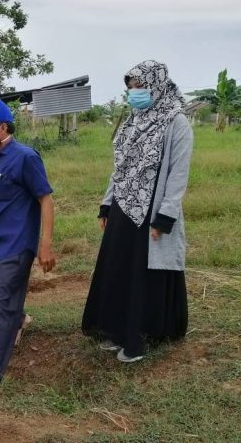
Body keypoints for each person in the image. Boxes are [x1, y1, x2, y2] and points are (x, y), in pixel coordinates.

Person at [82, 60, 193, 363]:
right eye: (131, 87)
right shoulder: (133, 121)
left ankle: (140, 335)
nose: (135, 92)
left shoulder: (176, 122)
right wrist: (107, 204)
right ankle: (114, 329)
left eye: (140, 86)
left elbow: (178, 174)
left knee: (143, 273)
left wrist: (165, 217)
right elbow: (120, 169)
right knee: (118, 268)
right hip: (124, 206)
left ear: (157, 84)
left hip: (152, 210)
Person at [0, 99, 56, 398]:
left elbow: (45, 199)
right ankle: (19, 317)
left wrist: (45, 245)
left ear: (2, 128)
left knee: (0, 309)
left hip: (15, 246)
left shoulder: (25, 157)